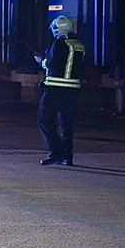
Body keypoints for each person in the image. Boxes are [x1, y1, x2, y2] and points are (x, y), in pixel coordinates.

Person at [34, 14, 86, 166]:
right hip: (73, 90)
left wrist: (41, 61)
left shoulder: (58, 44)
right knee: (66, 124)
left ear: (58, 29)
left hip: (55, 89)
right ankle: (67, 156)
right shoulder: (79, 44)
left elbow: (52, 65)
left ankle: (56, 152)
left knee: (44, 120)